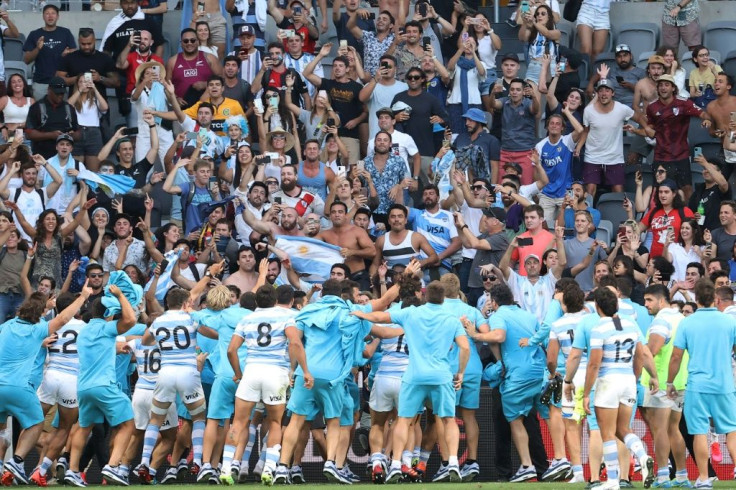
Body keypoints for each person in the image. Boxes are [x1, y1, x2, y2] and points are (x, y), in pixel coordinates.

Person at [353, 280, 470, 483]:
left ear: (425, 296)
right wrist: (460, 373)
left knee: (403, 420)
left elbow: (382, 317)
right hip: (441, 376)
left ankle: (396, 463)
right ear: (443, 299)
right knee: (448, 420)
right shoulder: (451, 319)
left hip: (413, 375)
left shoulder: (412, 313)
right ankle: (452, 463)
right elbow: (465, 348)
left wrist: (363, 314)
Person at [0, 287, 91, 486]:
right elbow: (62, 319)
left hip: (5, 386)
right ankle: (17, 462)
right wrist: (83, 296)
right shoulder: (39, 329)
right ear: (42, 313)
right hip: (23, 387)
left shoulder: (6, 326)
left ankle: (4, 466)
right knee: (37, 424)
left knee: (1, 430)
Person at [463, 283, 546, 483]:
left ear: (495, 302)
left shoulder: (498, 316)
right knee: (537, 419)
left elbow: (498, 336)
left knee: (514, 420)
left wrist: (475, 335)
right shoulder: (528, 315)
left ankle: (526, 466)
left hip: (516, 375)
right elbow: (540, 340)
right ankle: (552, 464)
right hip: (538, 373)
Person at [137, 286, 219, 482]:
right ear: (185, 303)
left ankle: (144, 461)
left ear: (167, 303)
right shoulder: (190, 318)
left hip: (165, 373)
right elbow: (213, 333)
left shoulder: (158, 321)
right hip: (188, 372)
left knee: (155, 420)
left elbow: (146, 341)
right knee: (198, 418)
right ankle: (198, 461)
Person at [219, 285, 297, 484]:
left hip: (251, 372)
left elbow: (231, 350)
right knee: (274, 423)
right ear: (275, 299)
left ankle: (228, 467)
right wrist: (298, 370)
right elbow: (295, 343)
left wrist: (238, 373)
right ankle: (269, 469)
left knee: (239, 422)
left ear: (256, 302)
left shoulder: (246, 319)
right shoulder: (286, 316)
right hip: (275, 373)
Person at [62, 285, 137, 487]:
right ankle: (113, 467)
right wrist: (120, 295)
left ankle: (73, 470)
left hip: (84, 388)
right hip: (104, 386)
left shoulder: (85, 331)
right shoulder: (106, 328)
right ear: (109, 314)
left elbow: (99, 346)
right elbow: (131, 320)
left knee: (83, 428)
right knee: (128, 424)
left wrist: (115, 348)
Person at [584, 286, 657, 490]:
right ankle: (642, 457)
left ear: (597, 306)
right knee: (622, 429)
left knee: (606, 433)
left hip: (608, 382)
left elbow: (594, 364)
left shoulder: (598, 328)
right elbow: (641, 354)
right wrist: (635, 377)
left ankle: (613, 481)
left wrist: (586, 393)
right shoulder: (630, 324)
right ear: (617, 304)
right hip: (628, 381)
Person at [668, 279, 736, 488]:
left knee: (699, 433)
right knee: (732, 431)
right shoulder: (729, 322)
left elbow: (676, 357)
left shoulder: (687, 322)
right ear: (715, 298)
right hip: (724, 384)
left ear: (696, 299)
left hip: (697, 386)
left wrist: (670, 382)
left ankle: (705, 479)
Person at [640, 284, 691, 488]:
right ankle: (682, 476)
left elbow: (651, 350)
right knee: (674, 429)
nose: (646, 305)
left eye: (649, 300)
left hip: (659, 382)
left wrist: (640, 350)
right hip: (678, 381)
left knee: (660, 429)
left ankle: (662, 476)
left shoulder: (661, 320)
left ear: (662, 301)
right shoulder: (680, 318)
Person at [633, 74, 711, 200]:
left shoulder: (684, 103)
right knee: (660, 192)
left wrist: (707, 120)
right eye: (661, 85)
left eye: (667, 85)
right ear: (657, 89)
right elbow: (651, 130)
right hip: (661, 156)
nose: (663, 88)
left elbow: (703, 113)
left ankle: (689, 219)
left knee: (687, 190)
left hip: (681, 155)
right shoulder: (652, 107)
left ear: (673, 88)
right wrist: (637, 130)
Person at [304, 47, 365, 165]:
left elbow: (365, 112)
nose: (337, 68)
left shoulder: (357, 87)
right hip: (329, 135)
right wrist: (320, 55)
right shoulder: (327, 84)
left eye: (341, 66)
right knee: (324, 168)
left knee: (351, 168)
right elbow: (306, 73)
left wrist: (357, 121)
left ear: (347, 69)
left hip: (349, 134)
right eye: (335, 65)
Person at [582, 79, 636, 196]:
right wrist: (578, 148)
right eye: (601, 90)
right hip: (593, 156)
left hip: (614, 157)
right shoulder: (588, 111)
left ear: (613, 93)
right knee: (590, 190)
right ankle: (586, 214)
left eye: (607, 90)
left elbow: (639, 117)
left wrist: (644, 128)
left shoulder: (622, 109)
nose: (604, 93)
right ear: (597, 94)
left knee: (618, 190)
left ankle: (621, 214)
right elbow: (585, 131)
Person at [536, 105, 584, 226]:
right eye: (551, 123)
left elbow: (580, 130)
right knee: (543, 226)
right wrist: (538, 190)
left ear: (562, 128)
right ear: (547, 126)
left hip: (566, 192)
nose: (554, 125)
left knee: (567, 226)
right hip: (547, 193)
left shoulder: (567, 141)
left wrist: (567, 112)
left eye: (558, 124)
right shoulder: (540, 146)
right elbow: (536, 171)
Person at [314, 201, 376, 291]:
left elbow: (372, 251)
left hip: (358, 277)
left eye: (340, 212)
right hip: (336, 281)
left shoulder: (357, 231)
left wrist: (352, 252)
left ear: (346, 215)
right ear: (330, 216)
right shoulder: (324, 235)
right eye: (333, 212)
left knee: (361, 304)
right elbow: (308, 246)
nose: (337, 215)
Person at [22, 5, 77, 101]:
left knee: (60, 113)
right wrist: (37, 49)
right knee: (40, 112)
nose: (50, 16)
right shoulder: (34, 34)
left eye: (53, 13)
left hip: (60, 82)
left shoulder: (65, 33)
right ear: (43, 16)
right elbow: (26, 59)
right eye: (47, 13)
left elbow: (74, 53)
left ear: (58, 16)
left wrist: (66, 55)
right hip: (41, 82)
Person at [24, 78, 81, 159]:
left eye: (62, 93)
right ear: (49, 90)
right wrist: (50, 135)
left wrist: (69, 136)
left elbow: (78, 133)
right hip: (42, 155)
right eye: (57, 93)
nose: (60, 96)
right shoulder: (36, 107)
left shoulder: (69, 108)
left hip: (64, 156)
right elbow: (29, 134)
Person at [165, 28, 221, 107]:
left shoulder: (210, 58)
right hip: (183, 109)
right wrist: (175, 99)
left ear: (198, 42)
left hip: (207, 106)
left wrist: (206, 84)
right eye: (186, 41)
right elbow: (167, 86)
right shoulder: (172, 61)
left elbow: (222, 79)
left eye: (192, 40)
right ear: (181, 43)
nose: (189, 43)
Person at [585, 44, 645, 110]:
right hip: (613, 105)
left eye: (625, 55)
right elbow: (598, 74)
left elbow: (646, 93)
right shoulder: (612, 71)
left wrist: (631, 86)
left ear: (630, 56)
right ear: (616, 59)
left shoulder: (640, 72)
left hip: (632, 105)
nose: (622, 59)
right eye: (619, 56)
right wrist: (590, 84)